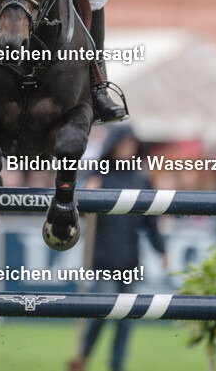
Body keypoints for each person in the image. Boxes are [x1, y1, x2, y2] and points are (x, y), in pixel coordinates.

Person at [69, 125, 167, 371]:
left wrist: (161, 250)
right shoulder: (99, 176)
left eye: (131, 145)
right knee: (105, 312)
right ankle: (84, 355)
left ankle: (116, 366)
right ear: (113, 146)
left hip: (130, 258)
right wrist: (86, 195)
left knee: (126, 320)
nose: (127, 149)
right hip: (104, 257)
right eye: (124, 144)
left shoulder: (141, 178)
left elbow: (150, 221)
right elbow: (76, 213)